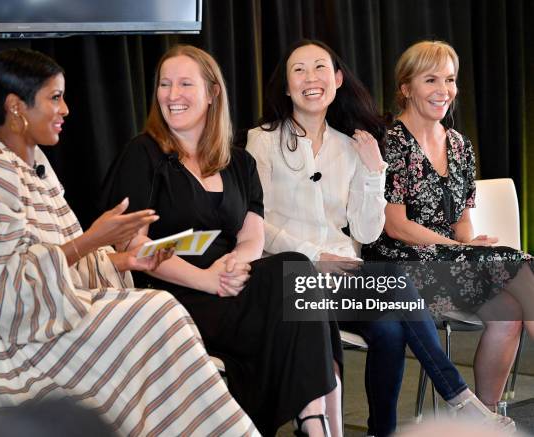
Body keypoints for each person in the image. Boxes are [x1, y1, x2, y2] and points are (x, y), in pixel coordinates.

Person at [0, 48, 259, 437]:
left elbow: (59, 266)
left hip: (54, 310)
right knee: (159, 311)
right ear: (16, 107)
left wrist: (125, 261)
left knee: (167, 312)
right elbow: (8, 290)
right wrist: (94, 240)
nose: (66, 110)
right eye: (54, 98)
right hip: (7, 335)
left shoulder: (37, 167)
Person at [245, 39, 515, 437]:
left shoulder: (351, 145)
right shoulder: (262, 140)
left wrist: (373, 172)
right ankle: (460, 399)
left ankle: (381, 431)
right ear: (286, 87)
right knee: (397, 285)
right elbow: (255, 221)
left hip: (344, 278)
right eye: (298, 70)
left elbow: (367, 231)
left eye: (321, 68)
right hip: (289, 277)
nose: (310, 78)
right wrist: (313, 254)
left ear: (337, 79)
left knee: (389, 330)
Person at [102, 44, 343, 437]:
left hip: (231, 282)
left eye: (184, 84)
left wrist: (236, 264)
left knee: (296, 269)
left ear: (213, 93)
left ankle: (312, 423)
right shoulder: (143, 153)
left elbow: (252, 234)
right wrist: (207, 279)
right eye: (165, 84)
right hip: (172, 292)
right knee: (298, 293)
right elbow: (133, 247)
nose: (172, 95)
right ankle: (315, 424)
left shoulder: (238, 162)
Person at [362, 40, 534, 418]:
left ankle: (483, 416)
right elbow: (396, 227)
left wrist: (468, 246)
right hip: (399, 266)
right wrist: (464, 252)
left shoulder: (459, 145)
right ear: (406, 87)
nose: (444, 90)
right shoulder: (391, 143)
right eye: (431, 79)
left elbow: (461, 224)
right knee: (520, 263)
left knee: (508, 311)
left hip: (448, 261)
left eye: (450, 79)